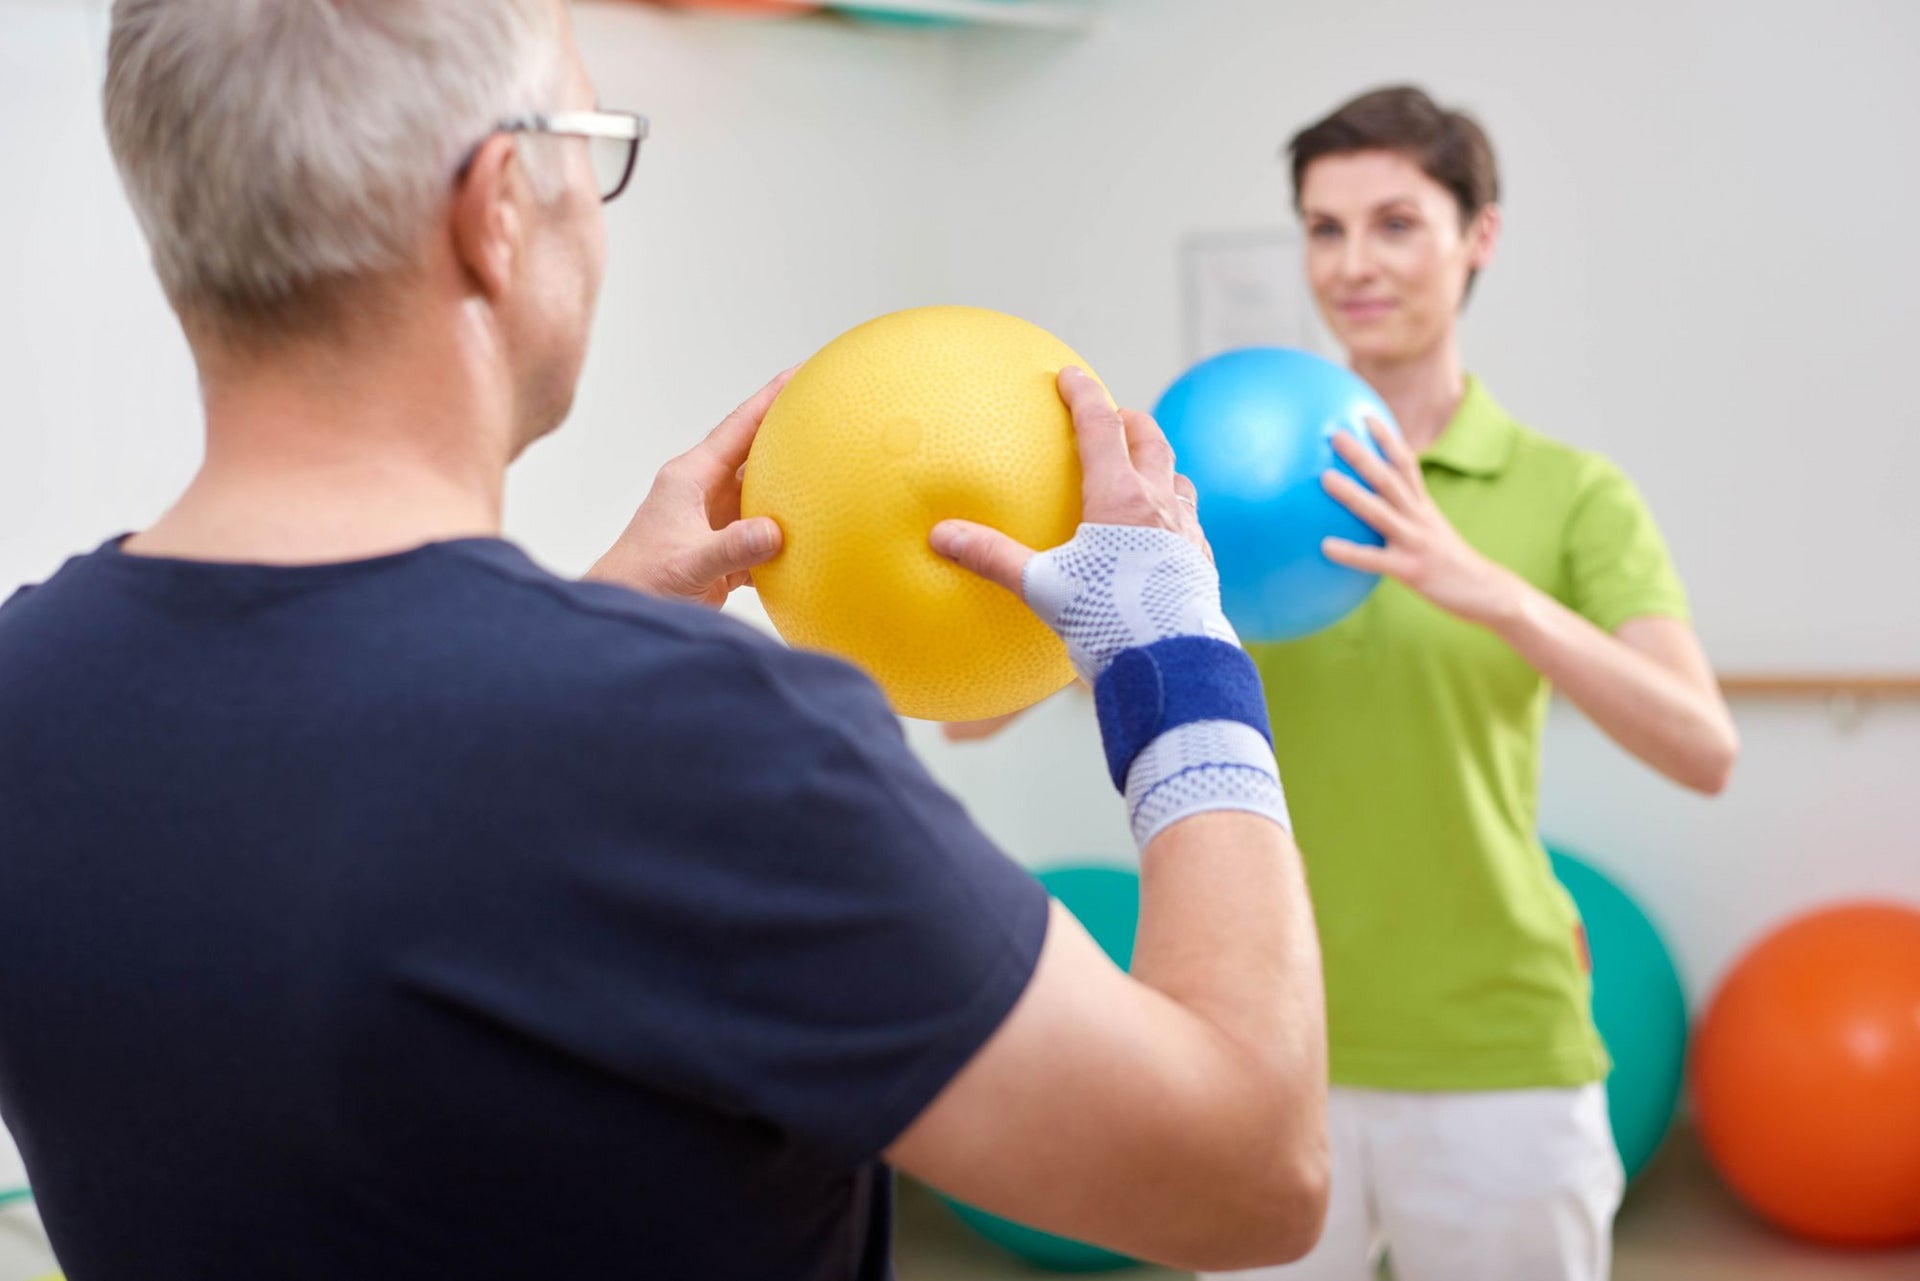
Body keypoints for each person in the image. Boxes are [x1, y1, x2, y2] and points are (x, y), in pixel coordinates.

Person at [0, 2, 1331, 1278]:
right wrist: (1175, 647)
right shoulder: (708, 752)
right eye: (591, 143)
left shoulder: (28, 692)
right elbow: (1253, 1168)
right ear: (497, 211)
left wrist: (598, 634)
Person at [1204, 86, 1741, 1281]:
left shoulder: (1570, 493)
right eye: (1323, 228)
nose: (1353, 264)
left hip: (1500, 1055)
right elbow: (982, 716)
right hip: (1263, 1042)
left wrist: (1480, 582)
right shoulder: (1224, 480)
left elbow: (1704, 747)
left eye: (1396, 223)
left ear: (1477, 235)